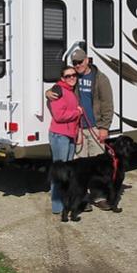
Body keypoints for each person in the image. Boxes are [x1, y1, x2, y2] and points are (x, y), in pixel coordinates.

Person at [46, 48, 114, 209]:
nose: (77, 66)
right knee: (80, 170)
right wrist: (47, 92)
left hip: (95, 127)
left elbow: (107, 104)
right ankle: (82, 198)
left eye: (80, 62)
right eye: (75, 63)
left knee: (97, 166)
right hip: (78, 129)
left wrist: (104, 127)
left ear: (87, 60)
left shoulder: (101, 79)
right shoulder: (73, 79)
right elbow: (59, 89)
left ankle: (98, 197)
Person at [47, 66, 83, 214]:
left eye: (74, 75)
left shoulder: (70, 90)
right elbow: (59, 116)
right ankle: (57, 206)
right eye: (68, 76)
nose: (72, 77)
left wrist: (78, 134)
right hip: (59, 136)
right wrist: (77, 112)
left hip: (69, 135)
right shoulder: (58, 90)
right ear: (62, 78)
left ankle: (63, 201)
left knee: (67, 171)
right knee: (59, 171)